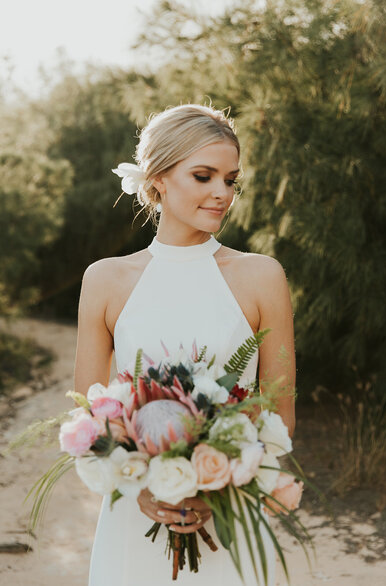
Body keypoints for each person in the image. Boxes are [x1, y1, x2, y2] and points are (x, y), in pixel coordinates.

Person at [73, 103, 296, 586]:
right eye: (203, 176)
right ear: (158, 179)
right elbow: (90, 416)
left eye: (231, 180)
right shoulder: (106, 280)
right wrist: (144, 491)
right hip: (136, 517)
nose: (222, 193)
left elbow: (280, 412)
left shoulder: (262, 277)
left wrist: (213, 483)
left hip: (231, 512)